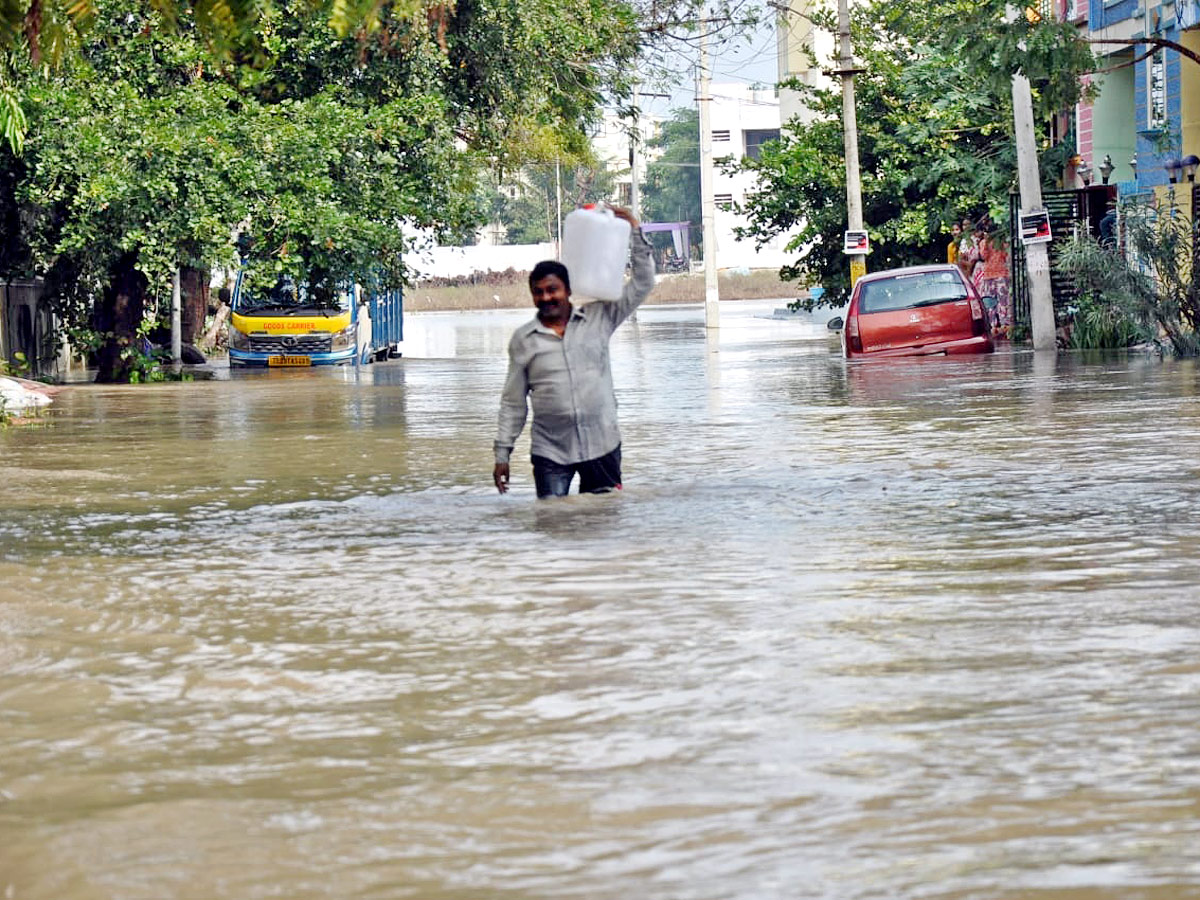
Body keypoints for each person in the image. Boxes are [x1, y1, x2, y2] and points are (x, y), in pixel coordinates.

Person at [493, 205, 655, 498]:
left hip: (602, 444)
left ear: (567, 289)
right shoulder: (523, 340)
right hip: (551, 451)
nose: (546, 297)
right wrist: (502, 454)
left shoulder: (601, 317)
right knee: (552, 522)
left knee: (604, 522)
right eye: (539, 292)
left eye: (552, 289)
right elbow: (513, 402)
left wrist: (633, 230)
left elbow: (643, 284)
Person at [974, 226, 1012, 336]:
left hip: (1000, 273)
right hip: (989, 275)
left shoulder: (1001, 243)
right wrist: (986, 243)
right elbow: (983, 256)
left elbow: (1005, 256)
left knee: (1002, 300)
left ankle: (1005, 324)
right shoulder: (983, 243)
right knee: (990, 301)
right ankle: (993, 325)